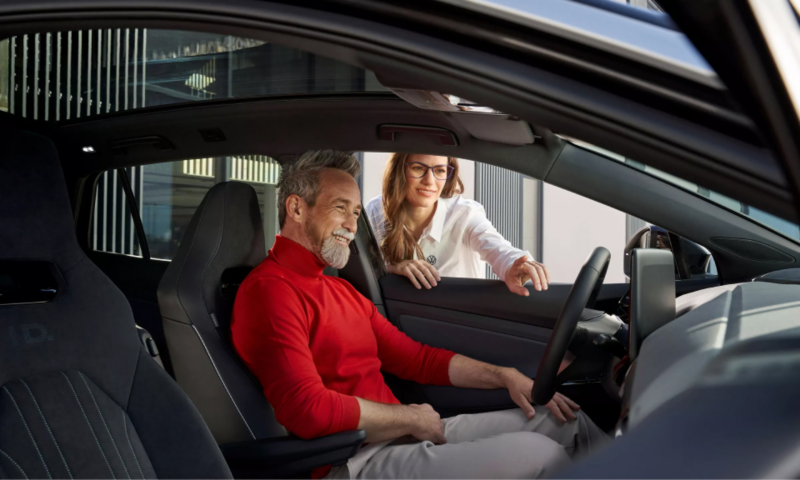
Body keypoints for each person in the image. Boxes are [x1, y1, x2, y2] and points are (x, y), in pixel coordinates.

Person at [231, 150, 609, 480]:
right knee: (541, 456)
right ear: (297, 208)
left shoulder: (338, 289)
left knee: (563, 422)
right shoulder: (270, 290)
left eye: (357, 212)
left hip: (400, 433)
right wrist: (410, 419)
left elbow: (417, 359)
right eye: (339, 208)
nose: (351, 224)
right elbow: (306, 410)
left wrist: (506, 376)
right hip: (353, 459)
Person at [365, 153, 549, 296]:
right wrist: (391, 268)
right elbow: (360, 270)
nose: (429, 181)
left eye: (439, 170)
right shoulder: (375, 210)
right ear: (399, 171)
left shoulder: (464, 214)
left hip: (456, 323)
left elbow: (497, 248)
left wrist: (512, 265)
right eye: (418, 168)